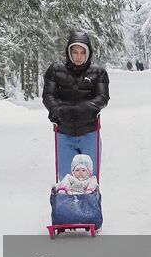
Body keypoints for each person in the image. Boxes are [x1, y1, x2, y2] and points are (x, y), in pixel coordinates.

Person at [42, 30, 109, 180]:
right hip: (64, 132)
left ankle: (90, 203)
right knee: (67, 179)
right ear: (69, 52)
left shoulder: (98, 73)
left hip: (89, 132)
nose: (79, 57)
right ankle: (68, 203)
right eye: (75, 52)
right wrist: (55, 110)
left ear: (88, 53)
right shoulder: (55, 71)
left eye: (82, 53)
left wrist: (83, 109)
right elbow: (48, 95)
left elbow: (103, 97)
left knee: (89, 178)